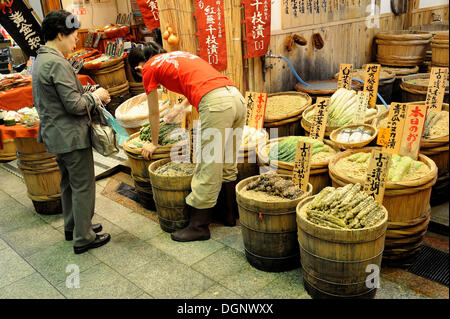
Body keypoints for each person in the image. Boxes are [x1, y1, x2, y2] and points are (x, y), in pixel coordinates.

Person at [128, 43, 246, 242]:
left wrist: (154, 143)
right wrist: (181, 108)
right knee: (226, 161)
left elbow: (154, 112)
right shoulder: (179, 55)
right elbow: (202, 83)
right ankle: (229, 215)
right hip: (236, 98)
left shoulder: (148, 67)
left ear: (138, 68)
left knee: (208, 164)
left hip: (216, 104)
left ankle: (198, 226)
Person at [32, 10, 111, 254]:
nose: (76, 41)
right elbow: (75, 105)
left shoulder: (40, 59)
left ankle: (74, 226)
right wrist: (95, 96)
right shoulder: (56, 62)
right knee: (83, 185)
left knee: (68, 184)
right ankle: (83, 237)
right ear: (60, 34)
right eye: (73, 36)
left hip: (56, 135)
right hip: (70, 137)